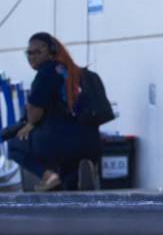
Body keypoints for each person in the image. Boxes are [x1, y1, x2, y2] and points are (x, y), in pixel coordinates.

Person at [4, 33, 102, 192]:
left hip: (60, 142)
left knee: (15, 145)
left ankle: (49, 176)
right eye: (29, 53)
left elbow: (35, 112)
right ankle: (77, 175)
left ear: (51, 52)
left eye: (38, 52)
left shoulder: (46, 73)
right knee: (66, 180)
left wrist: (30, 123)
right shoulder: (78, 72)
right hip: (91, 142)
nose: (32, 57)